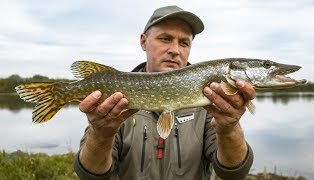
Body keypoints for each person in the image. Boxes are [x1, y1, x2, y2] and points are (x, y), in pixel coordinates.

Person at [74, 5, 255, 180]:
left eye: (184, 42)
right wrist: (101, 135)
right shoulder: (115, 101)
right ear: (143, 42)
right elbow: (89, 175)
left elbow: (234, 174)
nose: (175, 50)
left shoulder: (211, 101)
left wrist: (229, 130)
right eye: (165, 38)